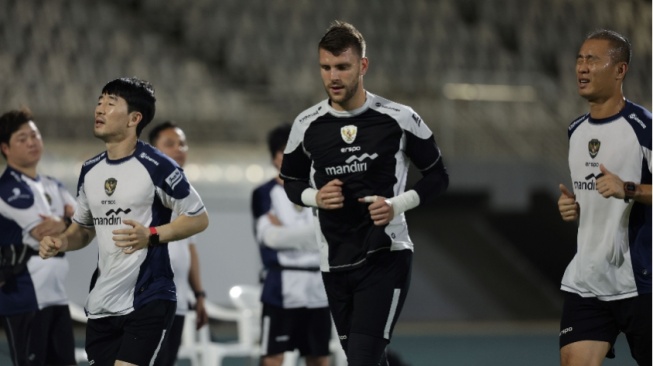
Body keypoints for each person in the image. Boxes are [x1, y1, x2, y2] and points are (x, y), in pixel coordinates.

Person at [279, 21, 449, 365]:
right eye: (325, 68)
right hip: (334, 261)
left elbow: (437, 177)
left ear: (363, 66)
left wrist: (396, 205)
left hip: (385, 255)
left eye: (342, 66)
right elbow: (291, 181)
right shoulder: (306, 124)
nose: (333, 77)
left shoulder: (399, 118)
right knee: (368, 359)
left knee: (361, 359)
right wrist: (316, 197)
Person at [39, 77, 209, 366]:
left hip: (149, 297)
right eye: (99, 102)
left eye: (111, 103)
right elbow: (82, 230)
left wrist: (152, 234)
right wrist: (62, 241)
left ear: (134, 118)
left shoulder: (158, 165)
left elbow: (198, 217)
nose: (100, 109)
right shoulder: (90, 170)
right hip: (103, 302)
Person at [557, 29, 651, 366]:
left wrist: (629, 189)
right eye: (579, 59)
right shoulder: (576, 130)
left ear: (620, 70)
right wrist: (573, 207)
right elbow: (592, 200)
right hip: (588, 279)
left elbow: (622, 191)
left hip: (641, 283)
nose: (581, 68)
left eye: (592, 60)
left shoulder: (644, 128)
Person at [0, 109, 77, 366]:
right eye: (22, 138)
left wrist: (64, 223)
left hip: (56, 295)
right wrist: (68, 222)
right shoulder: (9, 189)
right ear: (5, 148)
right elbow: (43, 231)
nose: (32, 142)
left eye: (35, 135)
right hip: (25, 296)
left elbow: (88, 224)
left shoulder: (52, 184)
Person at [252, 124, 331, 366]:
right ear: (274, 157)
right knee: (273, 358)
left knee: (319, 358)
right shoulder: (264, 193)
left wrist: (287, 234)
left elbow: (329, 236)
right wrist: (312, 236)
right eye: (284, 152)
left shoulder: (321, 191)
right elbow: (269, 238)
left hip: (318, 289)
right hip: (280, 289)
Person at [148, 121, 209, 366]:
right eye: (170, 144)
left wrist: (199, 294)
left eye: (182, 143)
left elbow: (189, 248)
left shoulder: (185, 192)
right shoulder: (146, 188)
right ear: (153, 150)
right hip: (150, 297)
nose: (179, 148)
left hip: (179, 298)